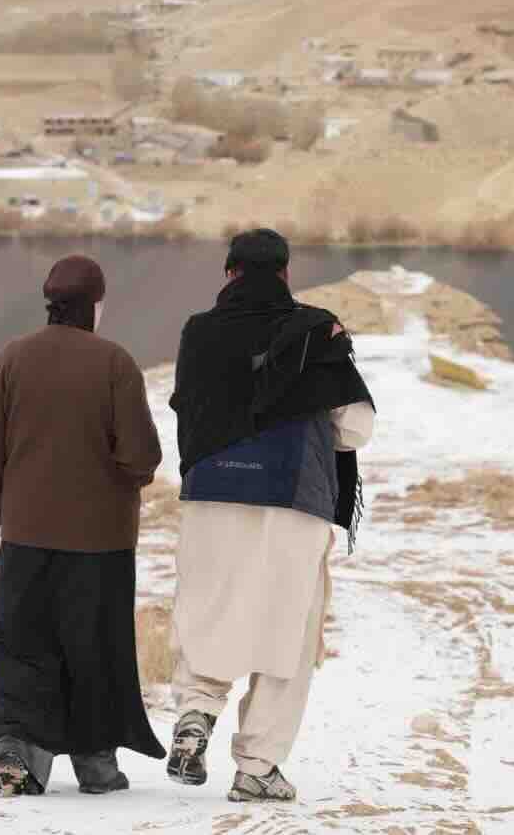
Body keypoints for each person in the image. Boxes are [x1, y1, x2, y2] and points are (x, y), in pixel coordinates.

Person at [165, 229, 376, 803]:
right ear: (285, 274)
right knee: (287, 630)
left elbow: (187, 409)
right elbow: (355, 428)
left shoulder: (199, 332)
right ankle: (257, 765)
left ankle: (196, 712)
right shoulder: (316, 330)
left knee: (209, 606)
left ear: (229, 273)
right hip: (293, 497)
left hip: (210, 492)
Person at [0, 254, 167, 796]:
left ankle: (19, 750)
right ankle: (96, 766)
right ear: (95, 305)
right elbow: (139, 456)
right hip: (101, 542)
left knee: (22, 642)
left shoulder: (11, 358)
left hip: (26, 536)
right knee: (94, 647)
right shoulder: (115, 363)